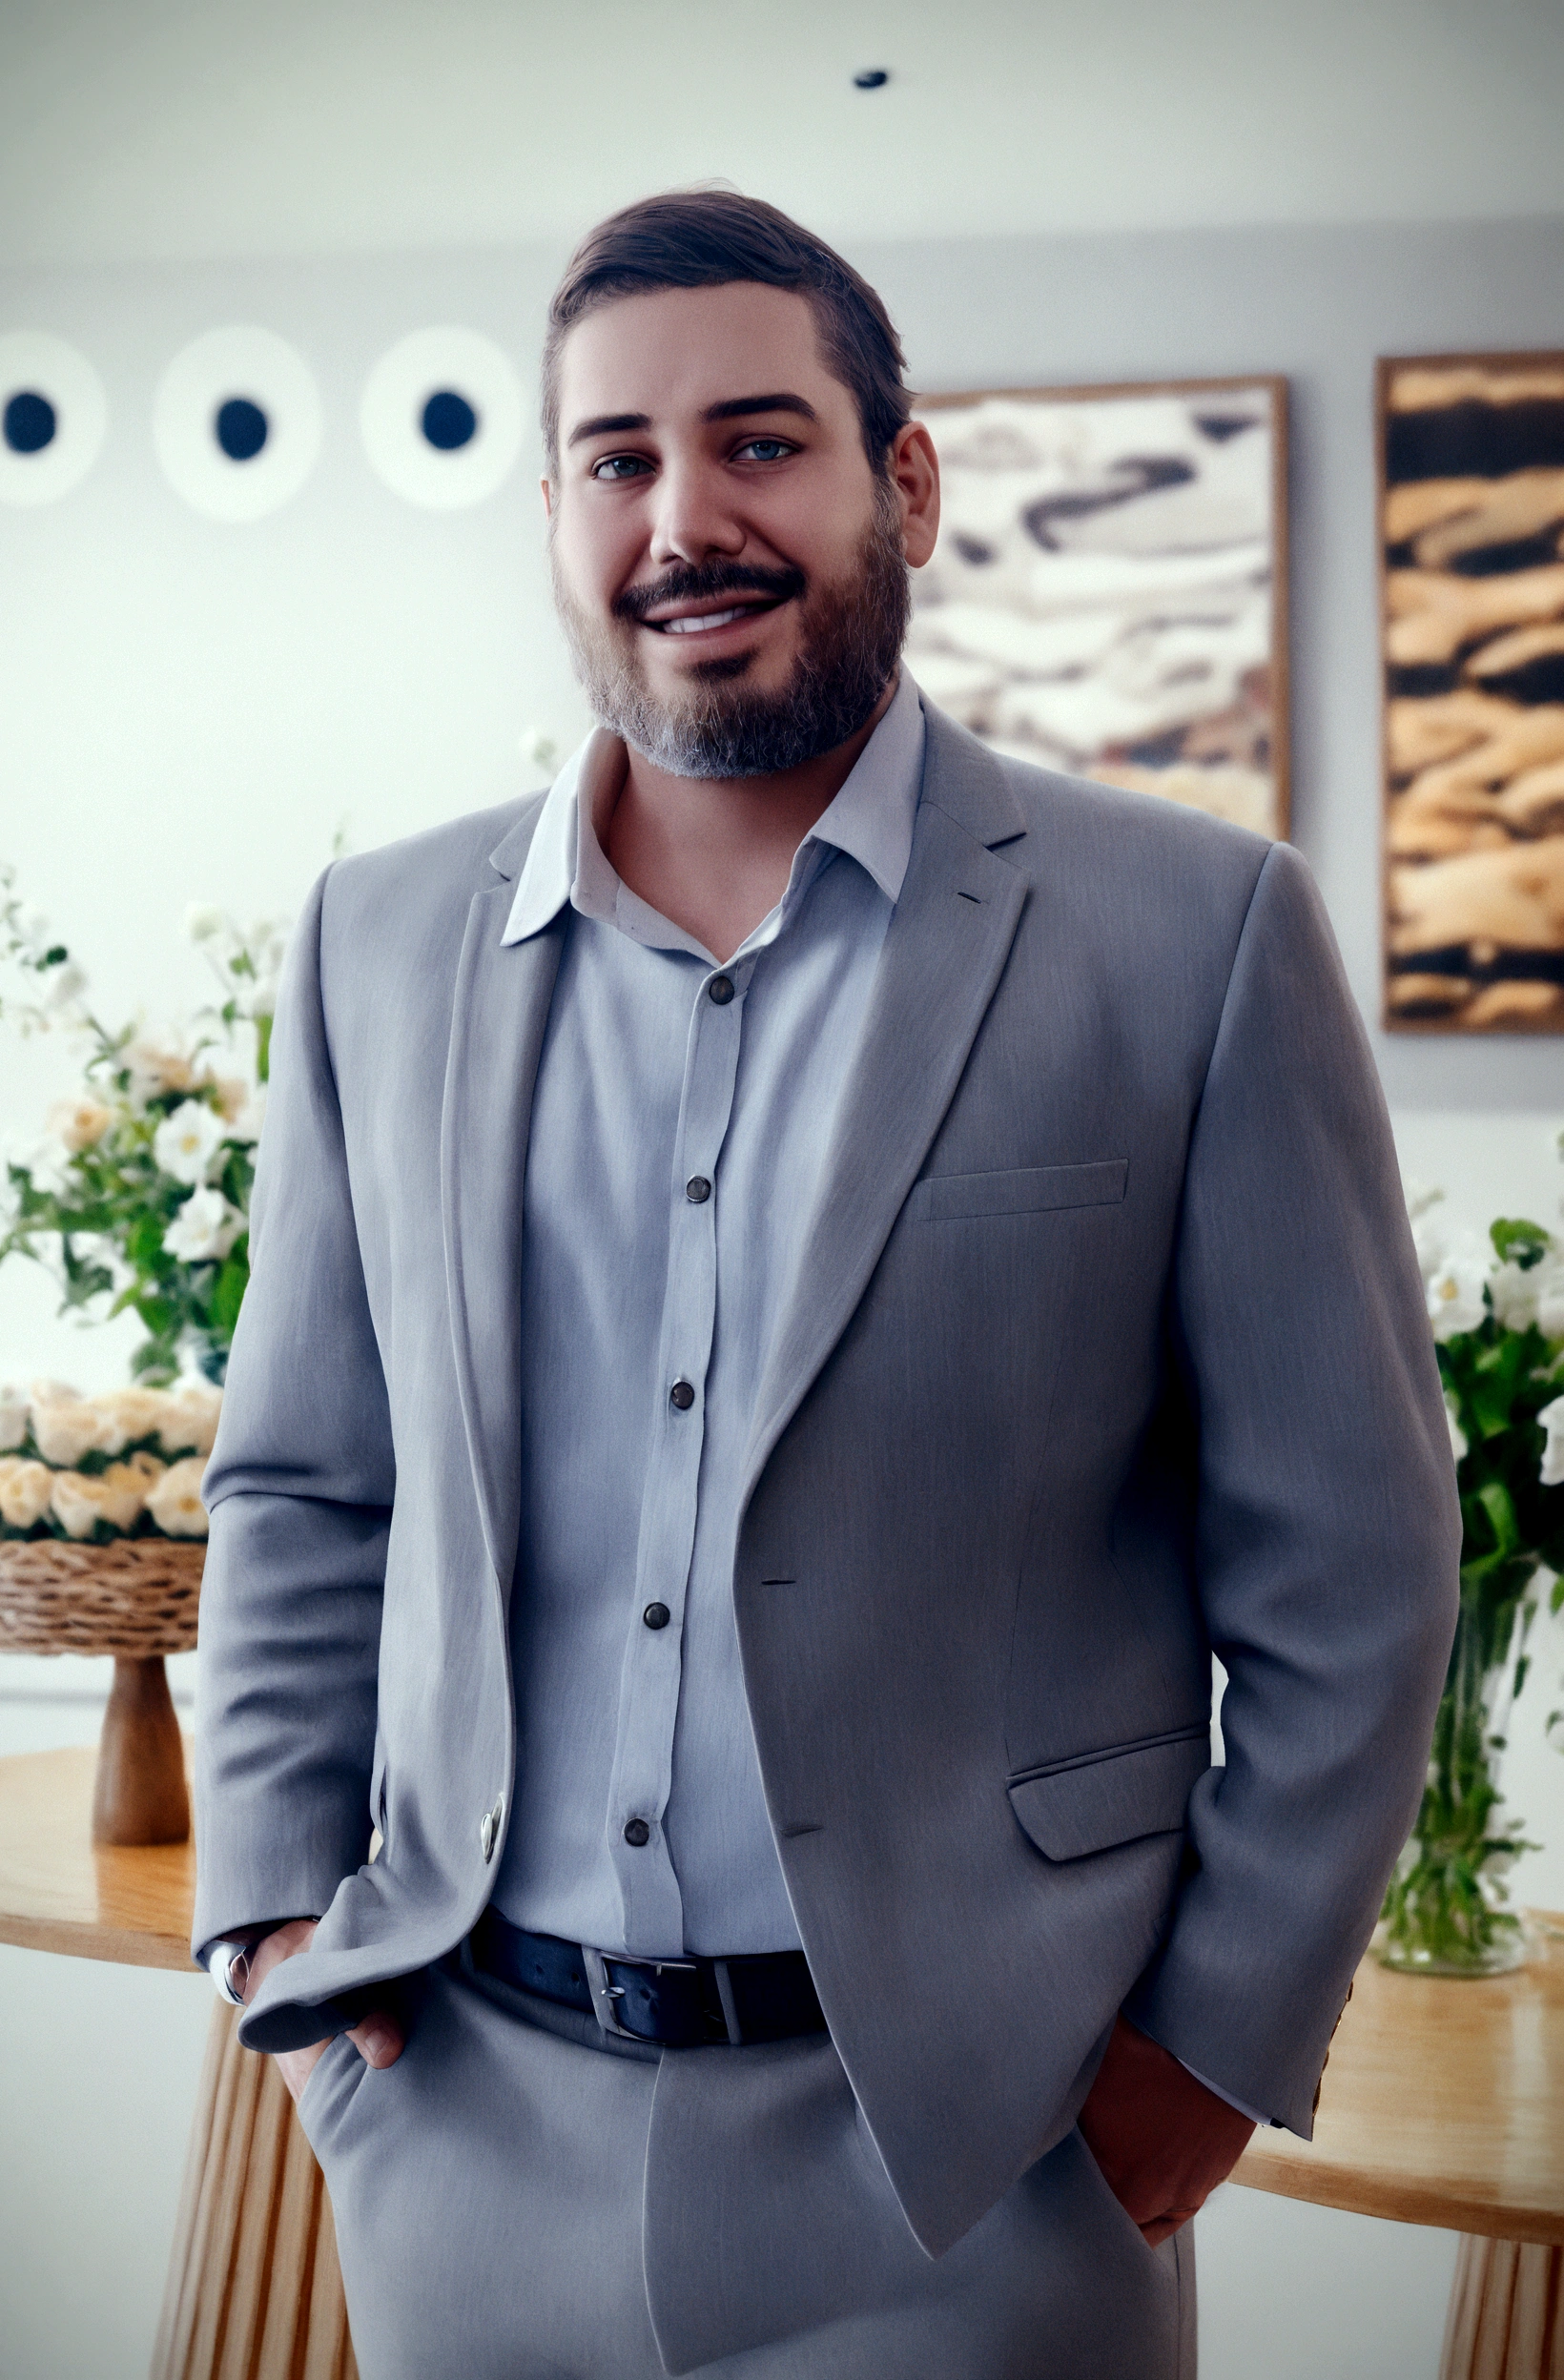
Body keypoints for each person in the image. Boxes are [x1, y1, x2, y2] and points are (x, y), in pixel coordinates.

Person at [194, 190, 1460, 2379]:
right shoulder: (373, 948)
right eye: (616, 459)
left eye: (759, 441)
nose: (686, 517)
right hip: (462, 2147)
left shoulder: (1196, 934)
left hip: (977, 2181)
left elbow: (1353, 1567)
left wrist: (1207, 2059)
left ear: (906, 479)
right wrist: (279, 1934)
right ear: (561, 512)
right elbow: (304, 1485)